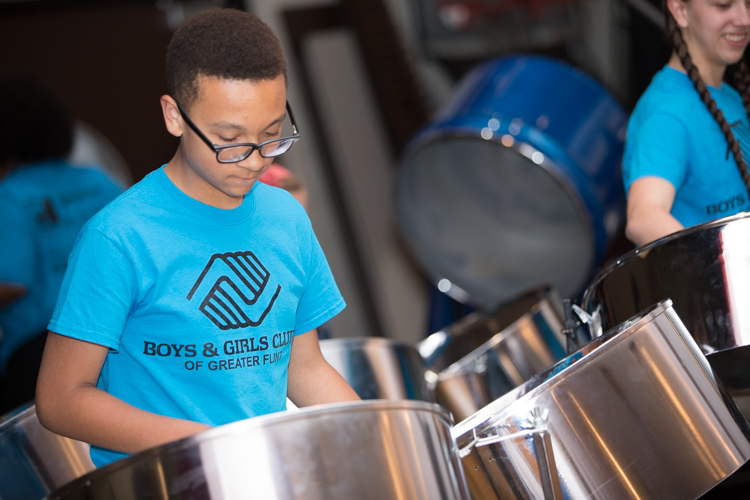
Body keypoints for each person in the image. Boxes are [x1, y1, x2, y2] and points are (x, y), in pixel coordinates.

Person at [35, 8, 359, 467]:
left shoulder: (285, 215)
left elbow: (303, 368)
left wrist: (375, 438)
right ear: (174, 116)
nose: (253, 160)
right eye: (230, 140)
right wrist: (213, 446)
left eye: (271, 135)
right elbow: (61, 399)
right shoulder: (119, 237)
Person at [0, 77, 122, 414]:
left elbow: (11, 285)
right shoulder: (97, 180)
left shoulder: (11, 195)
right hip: (117, 336)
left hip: (43, 354)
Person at [623, 0, 750, 247]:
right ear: (680, 11)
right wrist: (724, 266)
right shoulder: (667, 112)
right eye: (723, 5)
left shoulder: (729, 96)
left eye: (748, 4)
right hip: (711, 282)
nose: (744, 19)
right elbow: (642, 218)